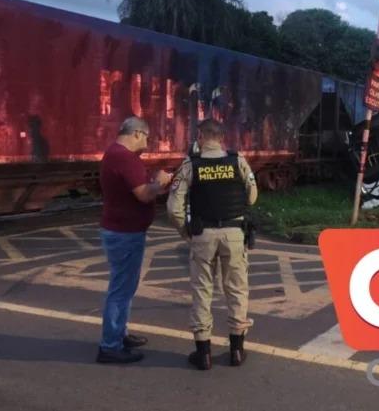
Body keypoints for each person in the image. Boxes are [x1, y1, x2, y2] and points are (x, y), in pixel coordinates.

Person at [167, 119, 258, 370]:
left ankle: (203, 353)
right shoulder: (237, 161)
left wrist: (186, 232)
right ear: (222, 137)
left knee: (202, 291)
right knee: (237, 289)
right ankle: (237, 351)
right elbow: (252, 195)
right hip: (234, 233)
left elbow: (174, 208)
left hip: (203, 233)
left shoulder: (190, 165)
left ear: (200, 135)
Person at [97, 117, 172, 363]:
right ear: (138, 133)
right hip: (125, 233)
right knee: (120, 290)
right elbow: (143, 195)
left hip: (120, 229)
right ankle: (110, 345)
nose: (147, 142)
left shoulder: (114, 153)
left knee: (125, 288)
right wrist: (160, 183)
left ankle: (120, 334)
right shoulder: (125, 158)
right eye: (147, 137)